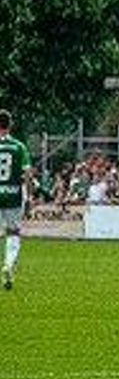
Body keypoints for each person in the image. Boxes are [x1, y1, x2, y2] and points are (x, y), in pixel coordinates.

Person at [0, 111, 32, 291]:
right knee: (13, 232)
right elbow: (27, 173)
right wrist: (29, 196)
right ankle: (8, 265)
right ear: (9, 125)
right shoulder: (19, 146)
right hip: (13, 195)